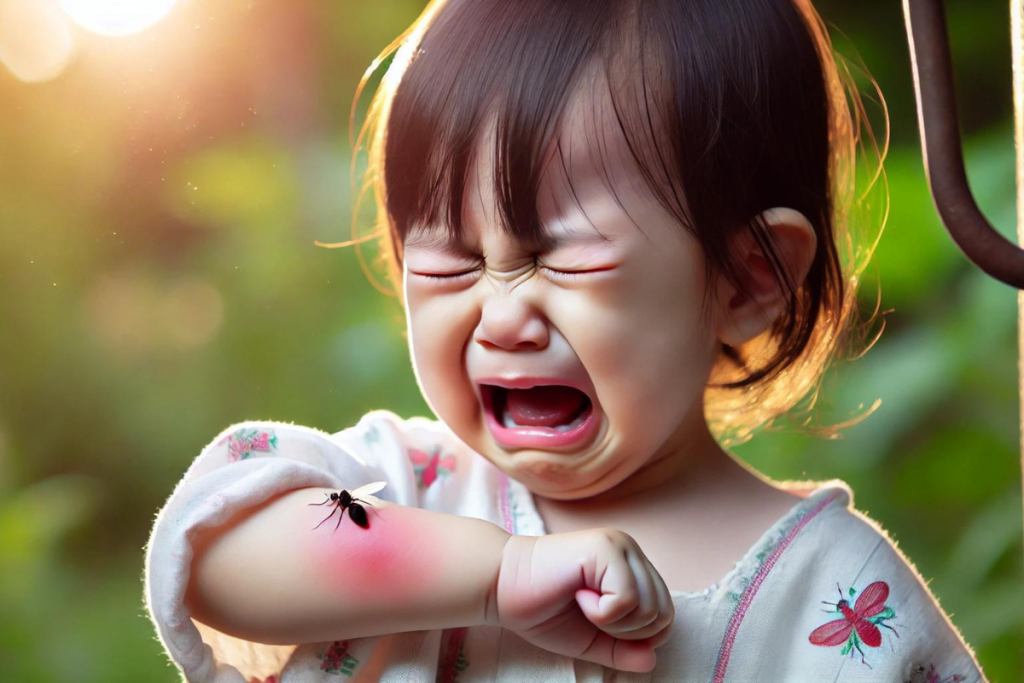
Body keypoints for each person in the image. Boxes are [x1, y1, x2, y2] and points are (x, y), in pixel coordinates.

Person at [144, 0, 990, 681]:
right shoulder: (403, 491)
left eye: (564, 256)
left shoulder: (838, 605)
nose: (504, 315)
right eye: (451, 260)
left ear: (748, 278)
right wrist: (495, 573)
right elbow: (212, 545)